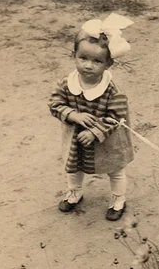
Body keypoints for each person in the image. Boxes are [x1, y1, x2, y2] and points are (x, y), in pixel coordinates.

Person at [48, 13, 135, 221]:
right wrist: (73, 115)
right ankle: (74, 192)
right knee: (73, 167)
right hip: (76, 138)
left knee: (115, 170)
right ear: (74, 55)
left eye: (97, 61)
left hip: (107, 141)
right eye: (83, 58)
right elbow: (54, 104)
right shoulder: (66, 83)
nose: (88, 65)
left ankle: (118, 199)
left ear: (108, 64)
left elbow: (116, 116)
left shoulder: (112, 90)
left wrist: (95, 132)